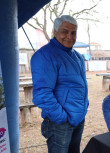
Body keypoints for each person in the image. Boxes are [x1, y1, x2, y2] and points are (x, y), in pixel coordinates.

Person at [30, 15, 89, 153]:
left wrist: (83, 108)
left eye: (73, 32)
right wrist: (62, 118)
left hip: (78, 118)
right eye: (65, 31)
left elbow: (81, 86)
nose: (69, 36)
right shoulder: (45, 55)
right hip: (60, 123)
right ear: (55, 32)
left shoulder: (78, 56)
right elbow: (42, 94)